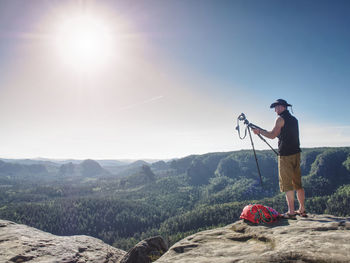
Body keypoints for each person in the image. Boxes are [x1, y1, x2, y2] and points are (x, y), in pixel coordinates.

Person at [252, 99, 306, 219]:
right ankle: (302, 209)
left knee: (287, 185)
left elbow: (272, 135)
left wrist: (259, 132)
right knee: (298, 184)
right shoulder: (294, 119)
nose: (275, 110)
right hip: (296, 153)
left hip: (285, 155)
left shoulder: (280, 119)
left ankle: (291, 212)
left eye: (276, 107)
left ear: (282, 107)